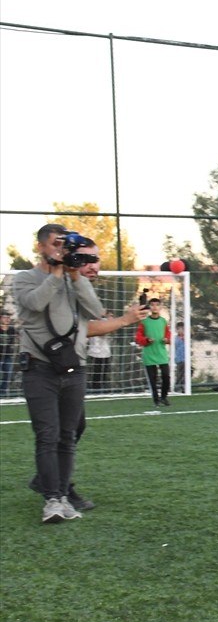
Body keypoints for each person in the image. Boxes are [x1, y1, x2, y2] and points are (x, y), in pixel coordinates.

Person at [11, 224, 106, 523]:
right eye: (55, 244)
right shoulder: (25, 278)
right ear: (41, 246)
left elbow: (95, 309)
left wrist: (75, 275)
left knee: (67, 436)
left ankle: (63, 495)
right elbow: (35, 303)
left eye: (64, 245)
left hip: (74, 368)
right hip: (39, 369)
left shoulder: (73, 279)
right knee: (47, 435)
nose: (60, 250)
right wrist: (55, 273)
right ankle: (51, 500)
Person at [136, 298, 172, 406]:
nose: (155, 307)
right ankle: (156, 400)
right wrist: (146, 340)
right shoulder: (144, 322)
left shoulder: (163, 321)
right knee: (153, 379)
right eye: (152, 305)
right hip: (149, 354)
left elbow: (168, 335)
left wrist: (167, 339)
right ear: (149, 307)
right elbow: (138, 337)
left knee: (166, 376)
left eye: (157, 305)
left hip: (161, 353)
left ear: (160, 307)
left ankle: (164, 397)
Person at [86, 313, 114, 391]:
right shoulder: (90, 321)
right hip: (94, 352)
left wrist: (111, 322)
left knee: (104, 372)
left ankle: (102, 388)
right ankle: (94, 389)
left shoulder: (106, 321)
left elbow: (113, 332)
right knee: (95, 372)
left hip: (105, 352)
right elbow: (100, 332)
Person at [0, 312, 17, 396]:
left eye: (8, 318)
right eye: (5, 317)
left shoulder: (12, 329)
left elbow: (18, 336)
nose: (7, 319)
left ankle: (2, 392)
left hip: (7, 355)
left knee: (8, 373)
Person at [173, 322, 186, 392]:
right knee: (179, 373)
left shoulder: (186, 338)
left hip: (185, 359)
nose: (180, 330)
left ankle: (183, 387)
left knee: (186, 373)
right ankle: (177, 387)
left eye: (182, 329)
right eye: (178, 329)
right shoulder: (176, 338)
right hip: (179, 359)